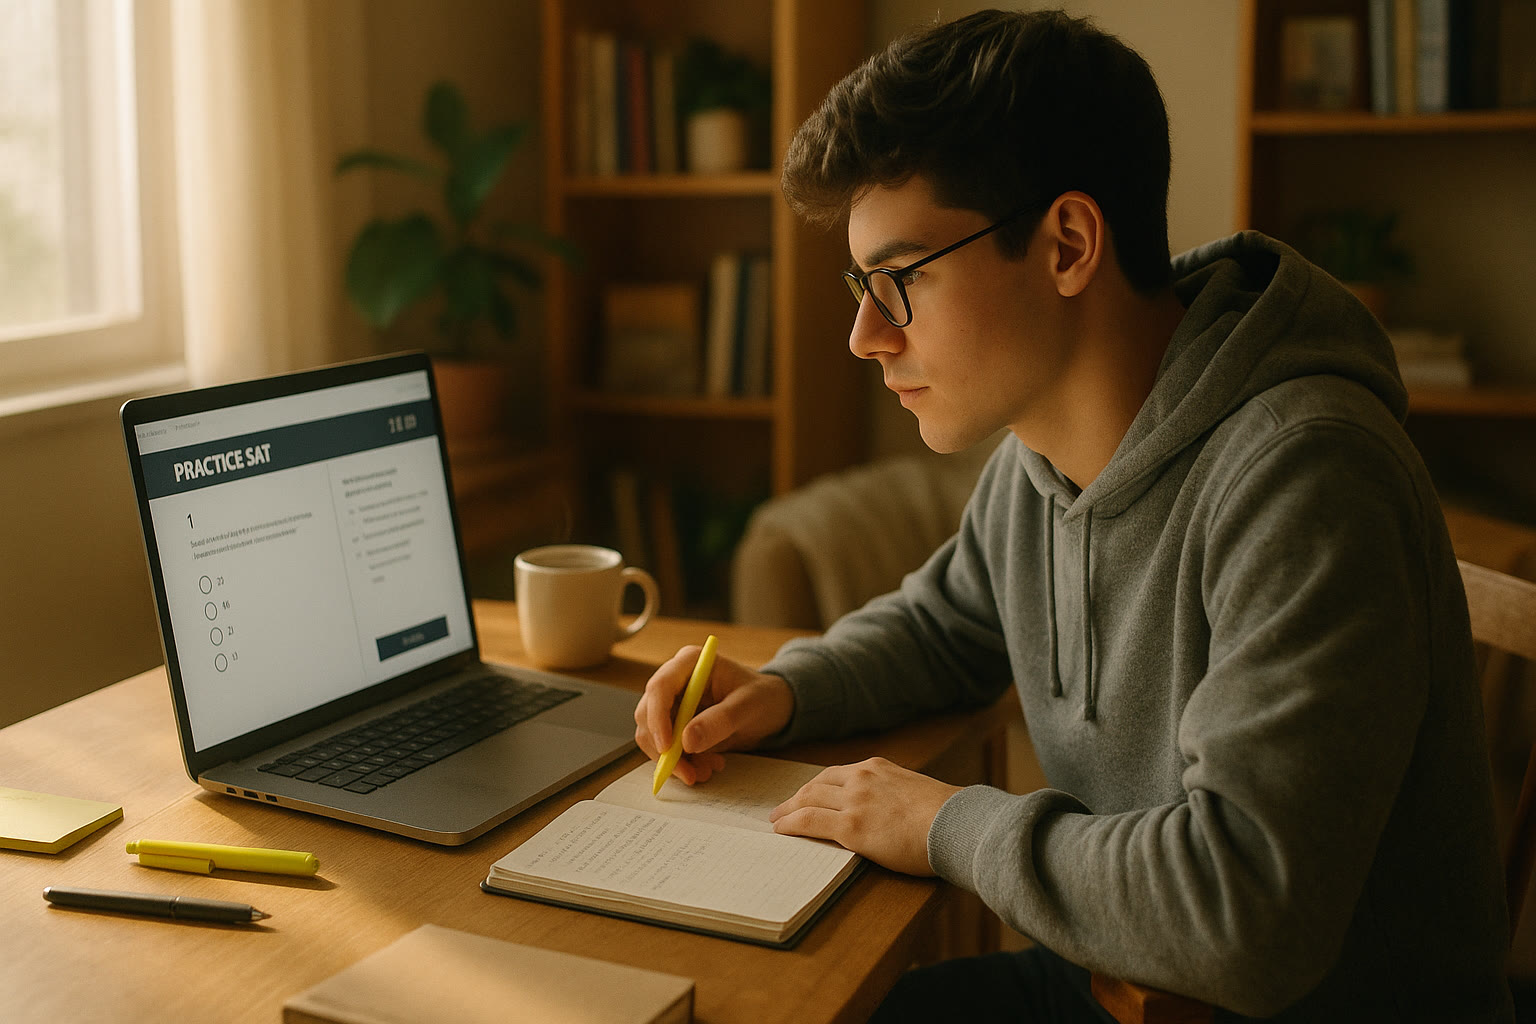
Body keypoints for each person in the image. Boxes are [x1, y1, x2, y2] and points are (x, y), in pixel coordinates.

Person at [633, 9, 1513, 1022]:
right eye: (858, 283)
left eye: (900, 280)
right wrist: (785, 689)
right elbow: (943, 625)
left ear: (1067, 244)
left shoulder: (1307, 478)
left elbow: (1245, 911)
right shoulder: (1038, 456)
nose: (864, 335)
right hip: (1119, 981)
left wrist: (945, 825)